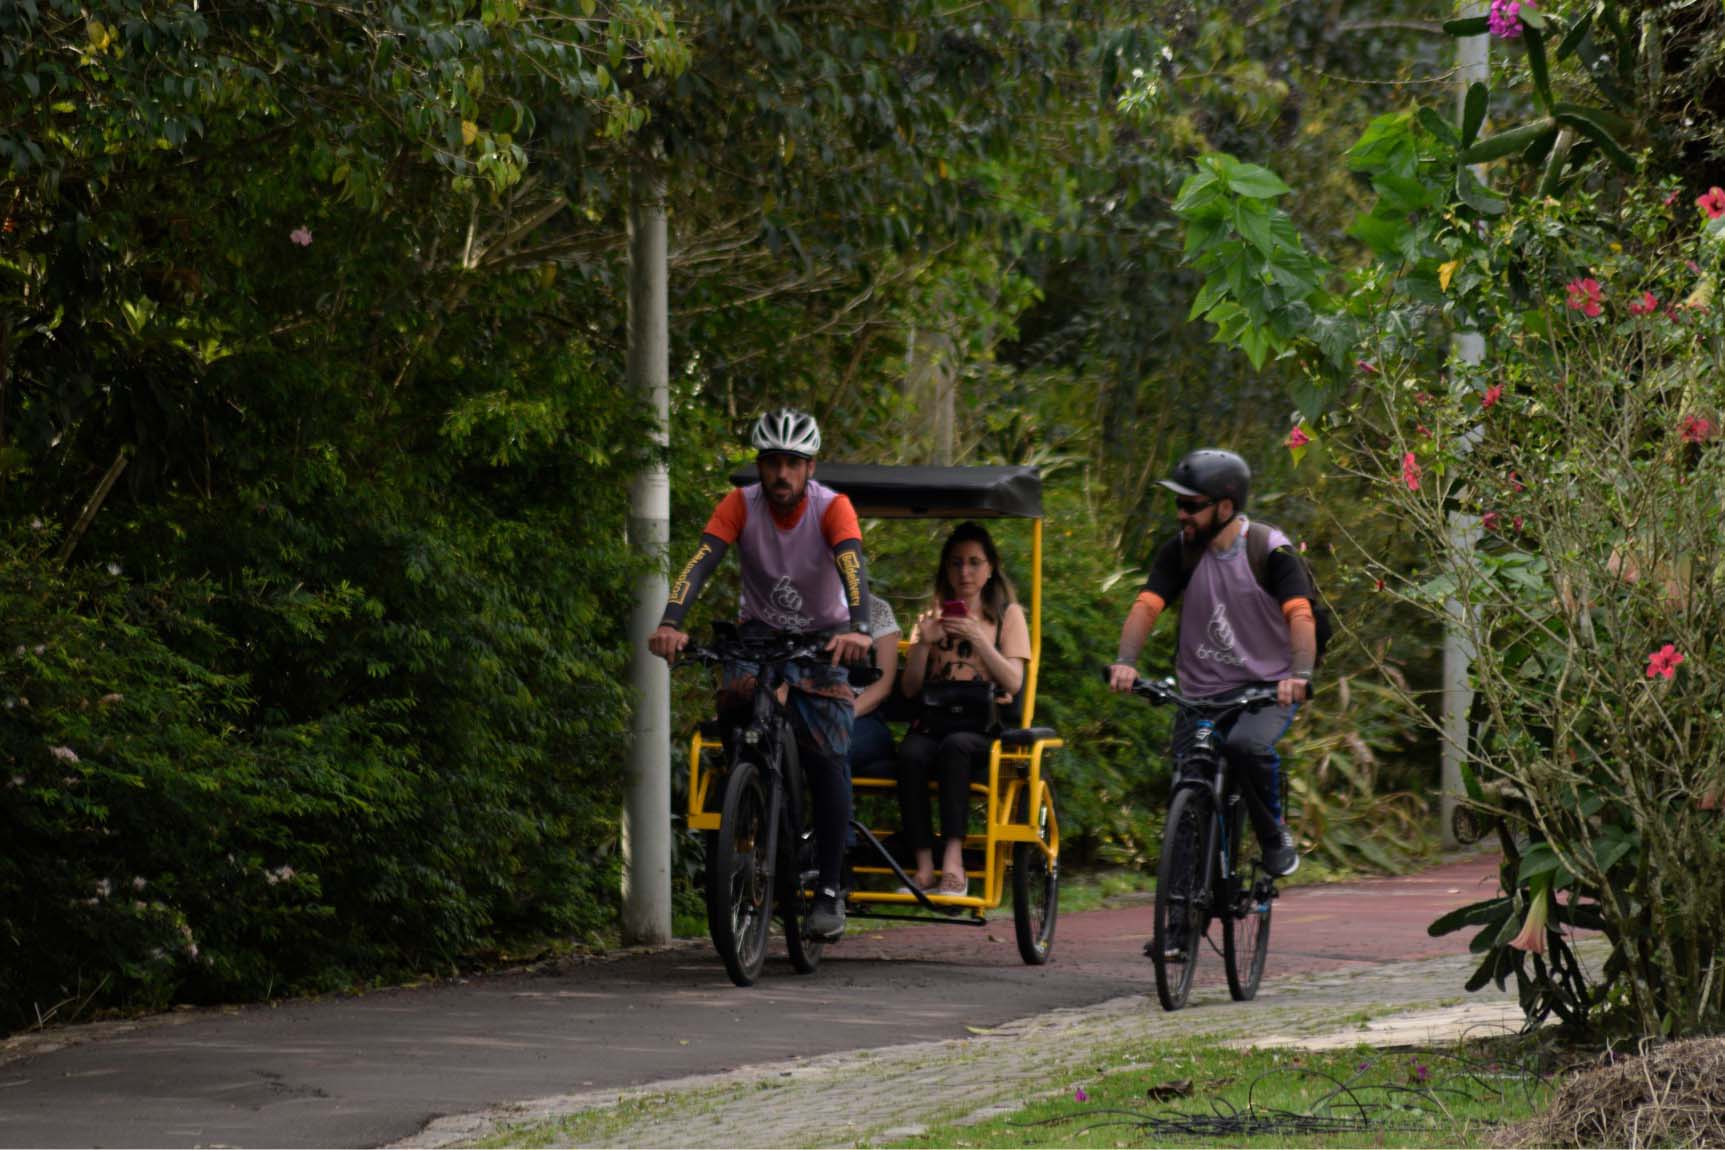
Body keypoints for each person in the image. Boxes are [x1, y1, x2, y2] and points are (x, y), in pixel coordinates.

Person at [648, 408, 873, 939]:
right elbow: (698, 563)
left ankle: (829, 890)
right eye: (772, 462)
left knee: (829, 752)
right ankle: (748, 797)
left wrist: (859, 626)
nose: (781, 474)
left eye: (793, 463)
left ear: (810, 468)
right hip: (759, 637)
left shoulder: (832, 508)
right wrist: (670, 622)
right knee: (733, 704)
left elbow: (853, 565)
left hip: (824, 640)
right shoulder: (739, 505)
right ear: (759, 465)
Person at [1106, 448, 1315, 877]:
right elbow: (1147, 606)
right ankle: (1178, 922)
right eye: (1178, 504)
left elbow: (1300, 613)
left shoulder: (1269, 551)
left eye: (1191, 506)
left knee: (1245, 747)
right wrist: (1126, 661)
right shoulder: (1181, 551)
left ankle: (1273, 833)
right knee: (1188, 775)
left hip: (1266, 688)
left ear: (1224, 507)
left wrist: (1299, 676)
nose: (1181, 514)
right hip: (1201, 692)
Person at [895, 523, 1031, 897]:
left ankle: (953, 865)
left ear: (990, 569)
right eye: (956, 564)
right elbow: (909, 689)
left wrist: (977, 638)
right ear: (946, 569)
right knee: (910, 753)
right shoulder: (931, 616)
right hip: (935, 719)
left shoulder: (1008, 615)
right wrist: (924, 644)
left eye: (974, 563)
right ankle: (923, 867)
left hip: (981, 726)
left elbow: (1014, 681)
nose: (965, 573)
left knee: (955, 748)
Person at [848, 593, 901, 774]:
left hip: (862, 715)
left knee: (832, 749)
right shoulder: (804, 605)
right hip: (813, 711)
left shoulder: (875, 608)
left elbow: (881, 687)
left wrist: (844, 715)